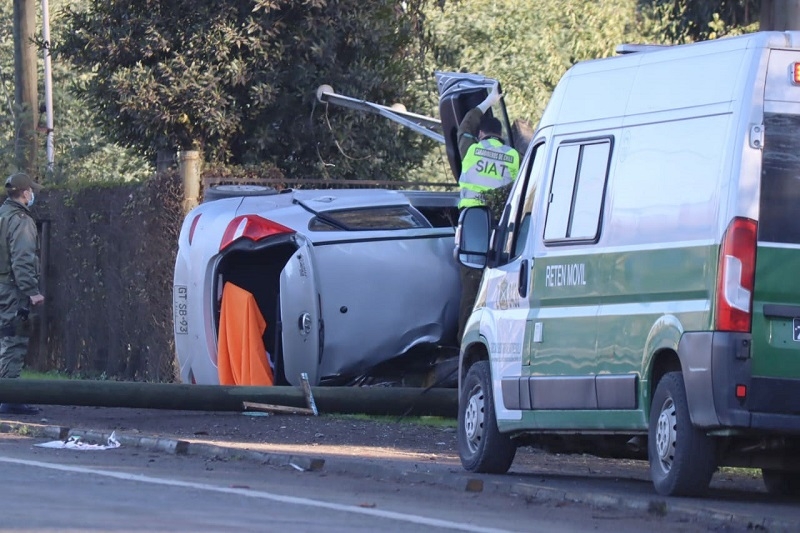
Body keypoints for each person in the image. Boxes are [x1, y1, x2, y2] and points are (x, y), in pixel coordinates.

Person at [456, 85, 520, 341]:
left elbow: (463, 129)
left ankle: (465, 347)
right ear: (501, 135)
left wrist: (487, 102)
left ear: (481, 134)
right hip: (502, 238)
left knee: (470, 296)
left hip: (473, 235)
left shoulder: (472, 151)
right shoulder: (514, 157)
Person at [0, 172, 44, 415]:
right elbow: (22, 259)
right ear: (25, 193)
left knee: (4, 338)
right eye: (31, 191)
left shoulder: (2, 216)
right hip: (12, 289)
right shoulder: (21, 221)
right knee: (14, 337)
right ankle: (11, 397)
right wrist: (32, 291)